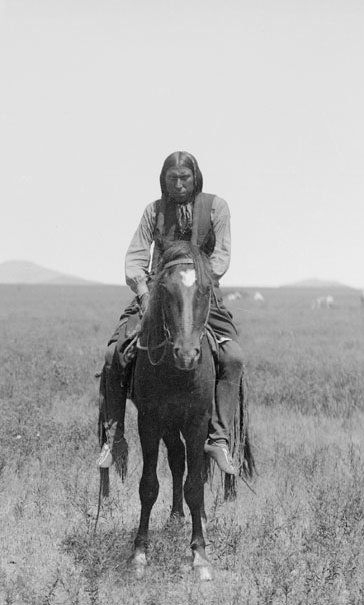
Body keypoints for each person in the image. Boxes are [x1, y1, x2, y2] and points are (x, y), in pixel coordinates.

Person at [99, 151, 243, 475]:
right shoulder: (154, 211)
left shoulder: (217, 207)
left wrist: (200, 281)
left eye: (185, 178)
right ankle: (115, 438)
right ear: (163, 180)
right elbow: (135, 257)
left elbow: (221, 257)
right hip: (157, 294)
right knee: (114, 355)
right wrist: (144, 292)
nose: (178, 184)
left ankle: (218, 439)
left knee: (232, 357)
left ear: (196, 178)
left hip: (201, 293)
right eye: (172, 178)